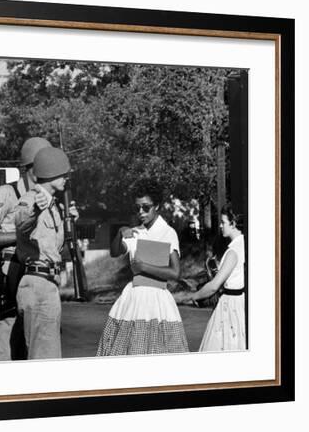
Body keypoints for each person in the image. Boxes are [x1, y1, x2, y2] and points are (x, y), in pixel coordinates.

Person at [96, 178, 188, 356]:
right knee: (129, 349)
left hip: (158, 300)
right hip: (134, 299)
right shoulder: (136, 232)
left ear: (157, 206)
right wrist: (120, 232)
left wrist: (144, 266)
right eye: (137, 208)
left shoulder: (168, 233)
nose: (141, 212)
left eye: (146, 207)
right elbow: (115, 252)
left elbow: (175, 272)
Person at [0, 137, 52, 361]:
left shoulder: (47, 199)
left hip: (35, 278)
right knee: (4, 342)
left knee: (32, 343)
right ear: (31, 167)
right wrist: (20, 237)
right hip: (7, 276)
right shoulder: (6, 193)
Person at [14, 147, 78, 359]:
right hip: (37, 282)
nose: (66, 179)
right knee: (44, 359)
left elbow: (57, 248)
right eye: (63, 174)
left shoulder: (54, 206)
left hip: (49, 283)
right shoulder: (31, 199)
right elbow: (22, 223)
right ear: (50, 173)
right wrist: (34, 211)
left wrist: (70, 222)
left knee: (48, 354)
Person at [176, 204, 246, 351]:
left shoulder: (233, 251)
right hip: (240, 302)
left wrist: (195, 296)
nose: (220, 226)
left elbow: (214, 285)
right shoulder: (245, 245)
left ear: (233, 224)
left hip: (230, 305)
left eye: (223, 222)